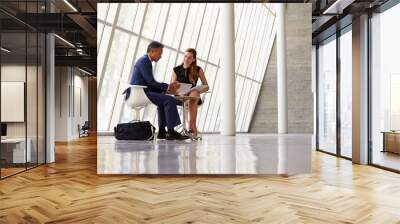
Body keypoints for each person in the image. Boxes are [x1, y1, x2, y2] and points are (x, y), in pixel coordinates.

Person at [127, 41, 189, 140]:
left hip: (142, 92)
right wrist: (168, 87)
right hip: (139, 93)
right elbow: (151, 82)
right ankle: (171, 131)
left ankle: (162, 131)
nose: (161, 56)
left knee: (163, 100)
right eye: (160, 53)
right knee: (169, 100)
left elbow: (150, 83)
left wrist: (167, 89)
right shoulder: (144, 61)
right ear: (152, 51)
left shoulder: (145, 60)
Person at [170, 48, 209, 138]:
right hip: (180, 97)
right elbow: (172, 88)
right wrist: (180, 93)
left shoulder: (198, 69)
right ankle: (192, 127)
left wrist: (199, 90)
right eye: (185, 56)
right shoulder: (176, 69)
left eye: (189, 58)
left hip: (193, 96)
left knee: (194, 92)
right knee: (193, 95)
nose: (186, 59)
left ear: (193, 59)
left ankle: (191, 125)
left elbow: (206, 86)